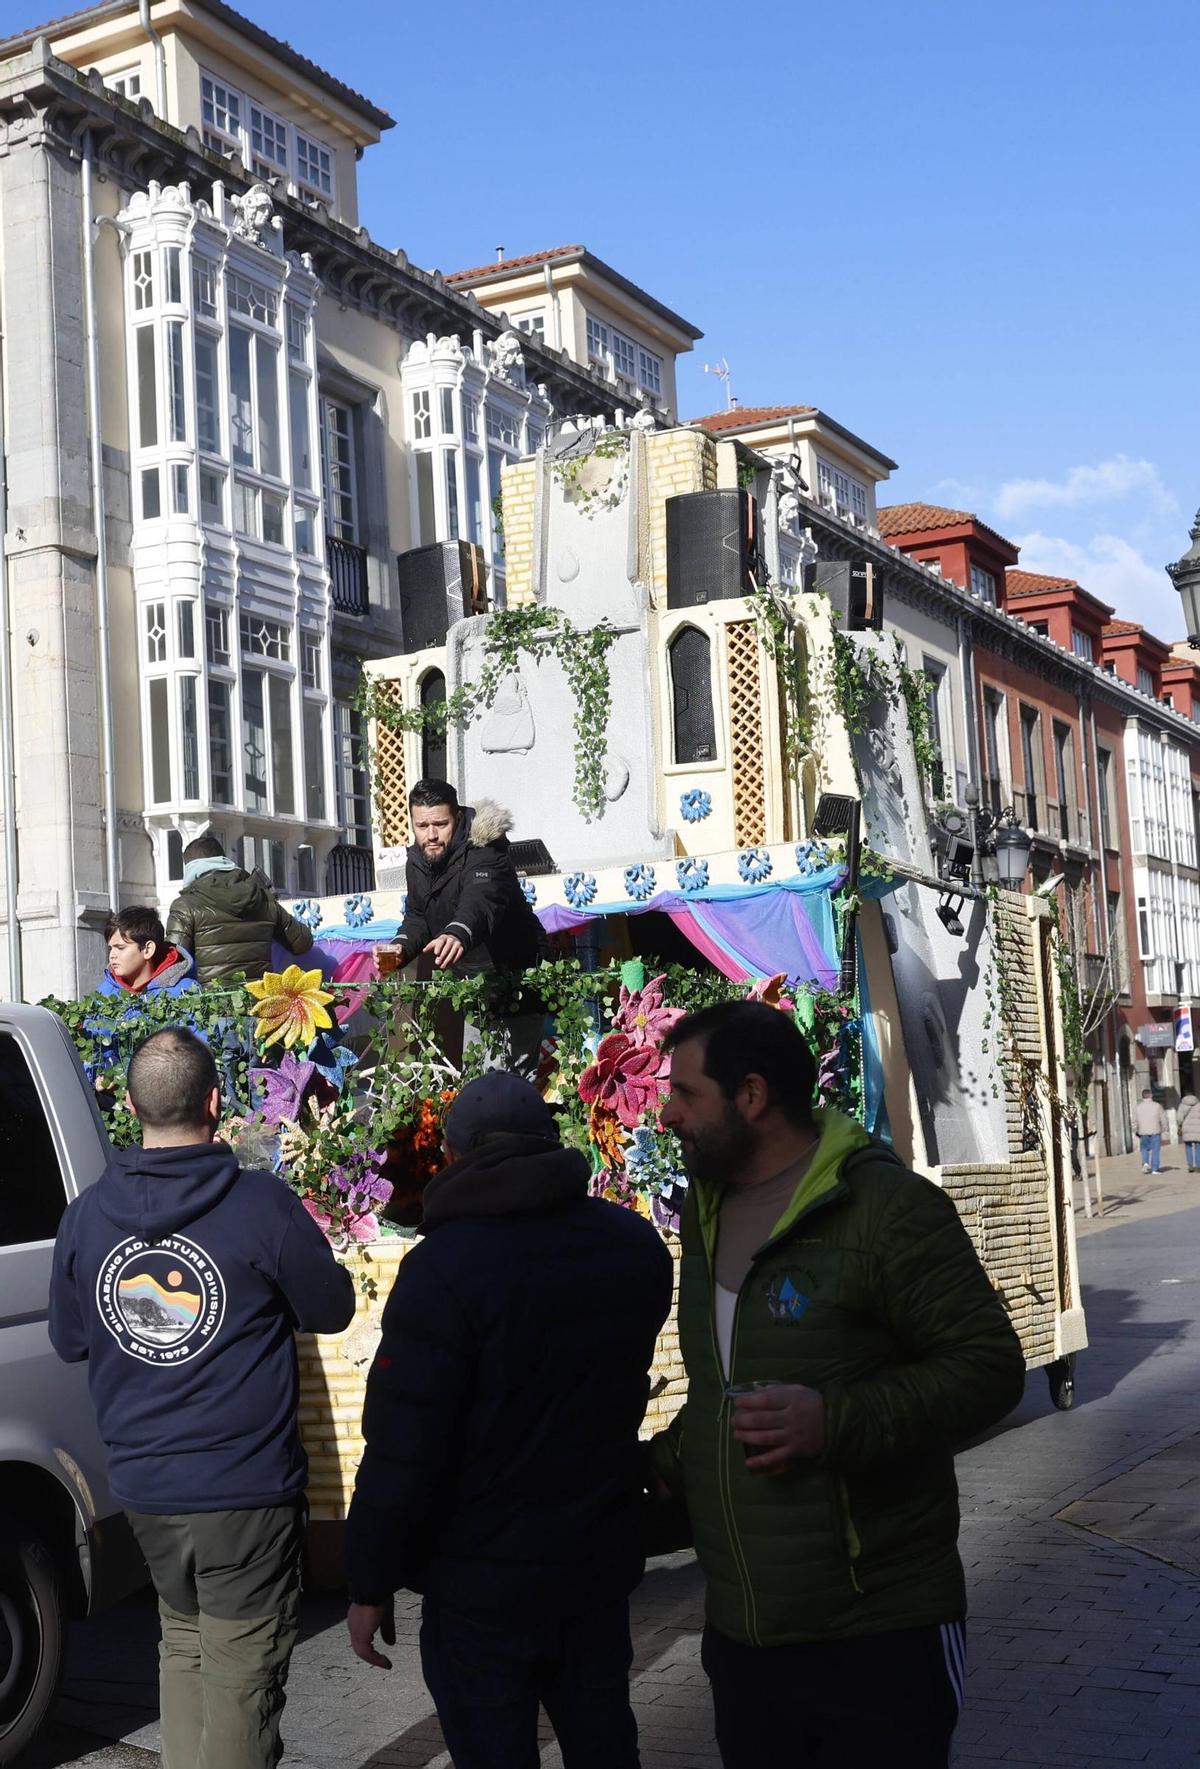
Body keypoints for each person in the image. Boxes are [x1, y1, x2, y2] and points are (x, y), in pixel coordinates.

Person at [651, 1001, 1026, 1769]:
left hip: (880, 1636)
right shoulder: (706, 1207)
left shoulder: (884, 1207)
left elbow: (990, 1367)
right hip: (745, 1640)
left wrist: (835, 1421)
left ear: (751, 1095)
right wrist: (631, 1478)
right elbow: (718, 1397)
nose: (666, 1112)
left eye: (686, 1093)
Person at [344, 1070, 674, 1769]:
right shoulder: (631, 1245)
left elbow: (405, 1445)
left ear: (455, 1155)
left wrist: (370, 1582)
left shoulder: (443, 1269)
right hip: (591, 1562)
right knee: (606, 1746)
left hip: (479, 1583)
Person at [48, 1027, 356, 1769]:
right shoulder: (262, 1205)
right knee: (243, 1668)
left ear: (128, 1105)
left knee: (183, 1643)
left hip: (145, 1487)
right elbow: (332, 1306)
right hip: (244, 1489)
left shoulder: (86, 1217)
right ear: (216, 1103)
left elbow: (71, 1338)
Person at [380, 779, 550, 1071]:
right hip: (473, 986)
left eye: (440, 824)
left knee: (506, 1091)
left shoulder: (486, 851)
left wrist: (458, 932)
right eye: (422, 826)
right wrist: (401, 946)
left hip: (514, 979)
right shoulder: (417, 863)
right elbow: (418, 916)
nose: (431, 835)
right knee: (479, 1083)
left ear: (458, 818)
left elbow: (480, 901)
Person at [165, 834, 313, 985]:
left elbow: (171, 964)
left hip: (212, 1003)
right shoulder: (261, 896)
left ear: (189, 869)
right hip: (261, 1000)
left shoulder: (185, 905)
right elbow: (302, 943)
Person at [98, 905, 198, 999]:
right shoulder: (104, 992)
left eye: (120, 948)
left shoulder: (184, 992)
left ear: (148, 950)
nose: (112, 956)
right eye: (111, 948)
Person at [1135, 1087, 1166, 1173]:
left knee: (1144, 1148)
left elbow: (1134, 1120)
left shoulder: (1138, 1107)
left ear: (1143, 1096)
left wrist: (1135, 1130)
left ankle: (1145, 1163)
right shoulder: (1157, 1106)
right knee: (1155, 1150)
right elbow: (1163, 1118)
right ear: (1151, 1095)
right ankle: (1155, 1169)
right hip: (1155, 1131)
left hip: (1143, 1132)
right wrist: (1165, 1128)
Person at [1178, 1089, 1200, 1173]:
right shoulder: (1199, 1105)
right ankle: (1198, 1166)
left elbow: (1179, 1118)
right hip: (1198, 1129)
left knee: (1188, 1147)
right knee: (1198, 1147)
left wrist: (1180, 1125)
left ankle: (1190, 1165)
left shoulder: (1182, 1105)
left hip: (1186, 1128)